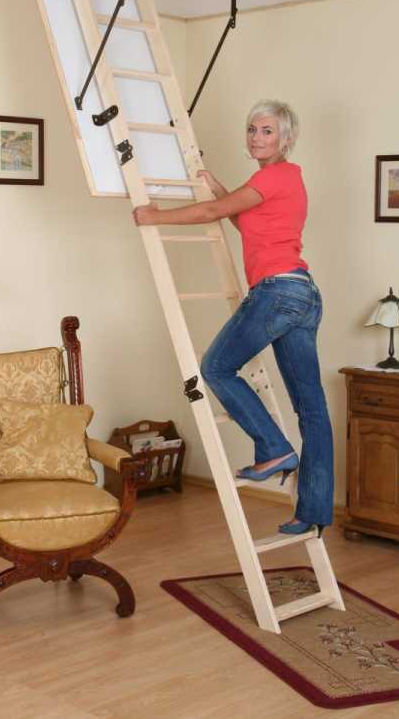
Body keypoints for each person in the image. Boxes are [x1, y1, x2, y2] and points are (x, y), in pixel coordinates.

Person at [133, 100, 333, 536]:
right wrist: (224, 192)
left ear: (285, 139)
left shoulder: (272, 176)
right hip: (303, 293)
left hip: (278, 292)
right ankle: (313, 511)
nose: (256, 137)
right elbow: (250, 227)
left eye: (267, 131)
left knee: (216, 367)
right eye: (252, 129)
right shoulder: (285, 179)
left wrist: (154, 217)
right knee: (312, 410)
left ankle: (274, 448)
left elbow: (211, 214)